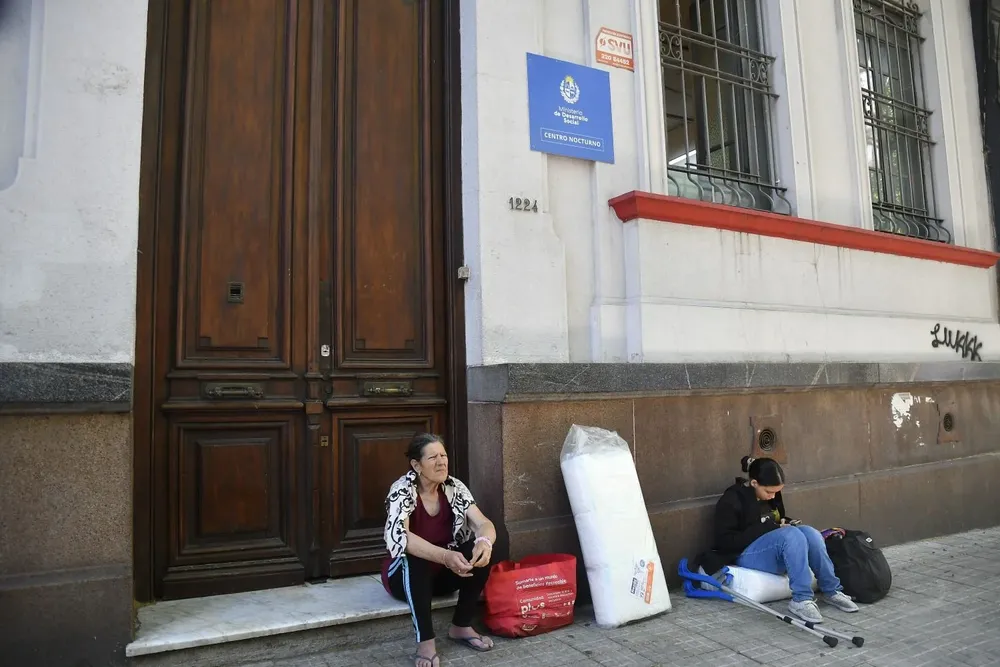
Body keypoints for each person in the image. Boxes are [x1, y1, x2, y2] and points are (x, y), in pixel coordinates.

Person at [382, 433, 498, 667]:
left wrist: (484, 541)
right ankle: (425, 641)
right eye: (433, 457)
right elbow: (402, 538)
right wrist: (445, 556)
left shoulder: (454, 487)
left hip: (445, 575)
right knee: (414, 558)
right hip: (405, 577)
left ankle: (461, 625)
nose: (441, 462)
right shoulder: (402, 490)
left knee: (480, 548)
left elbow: (483, 523)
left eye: (443, 456)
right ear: (417, 465)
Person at [698, 456, 859, 623]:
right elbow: (725, 541)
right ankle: (801, 599)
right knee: (792, 534)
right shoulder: (732, 500)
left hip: (771, 547)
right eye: (768, 492)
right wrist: (771, 527)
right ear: (754, 483)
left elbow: (776, 521)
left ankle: (831, 590)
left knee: (810, 533)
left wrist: (785, 522)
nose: (773, 496)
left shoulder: (773, 496)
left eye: (776, 492)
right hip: (743, 553)